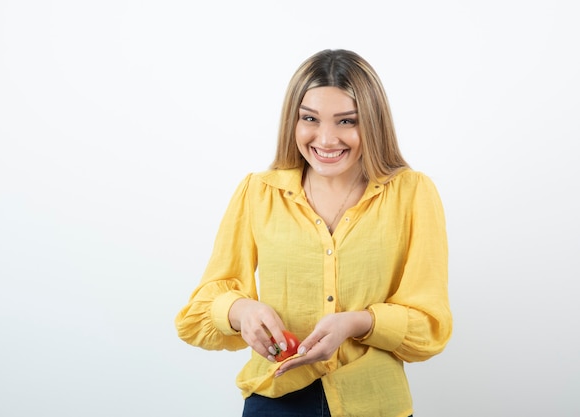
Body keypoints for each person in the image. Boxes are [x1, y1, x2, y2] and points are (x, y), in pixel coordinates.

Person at [175, 49, 452, 417]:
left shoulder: (413, 193)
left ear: (373, 122)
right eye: (310, 118)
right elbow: (196, 315)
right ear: (293, 120)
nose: (325, 139)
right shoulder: (259, 192)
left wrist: (358, 322)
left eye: (346, 121)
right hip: (275, 401)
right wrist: (241, 311)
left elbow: (430, 327)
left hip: (374, 404)